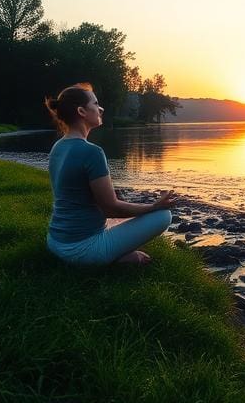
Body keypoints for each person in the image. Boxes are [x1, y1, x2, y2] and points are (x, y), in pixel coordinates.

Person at [43, 82, 175, 266]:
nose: (101, 109)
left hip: (56, 242)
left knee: (121, 216)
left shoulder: (58, 147)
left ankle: (113, 253)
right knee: (163, 216)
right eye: (96, 104)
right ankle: (116, 259)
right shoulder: (92, 152)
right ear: (82, 112)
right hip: (82, 250)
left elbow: (80, 196)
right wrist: (153, 207)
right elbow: (110, 209)